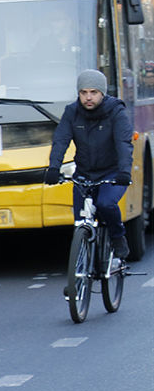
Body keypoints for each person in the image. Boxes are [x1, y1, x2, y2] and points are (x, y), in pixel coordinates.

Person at [44, 69, 133, 259]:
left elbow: (123, 143)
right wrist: (53, 168)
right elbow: (61, 140)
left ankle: (118, 237)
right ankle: (81, 271)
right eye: (83, 93)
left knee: (106, 204)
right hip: (84, 173)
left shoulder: (116, 111)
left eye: (94, 92)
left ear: (102, 93)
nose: (88, 97)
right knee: (80, 221)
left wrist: (124, 172)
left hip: (112, 172)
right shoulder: (71, 112)